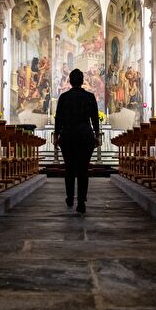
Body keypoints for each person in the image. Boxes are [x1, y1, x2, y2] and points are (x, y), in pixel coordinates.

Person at [54, 69, 100, 214]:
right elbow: (94, 118)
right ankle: (81, 201)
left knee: (69, 168)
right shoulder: (90, 96)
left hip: (68, 136)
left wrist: (56, 135)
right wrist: (97, 135)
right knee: (83, 169)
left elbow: (59, 118)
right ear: (82, 81)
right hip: (85, 136)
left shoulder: (64, 97)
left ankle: (69, 197)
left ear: (70, 81)